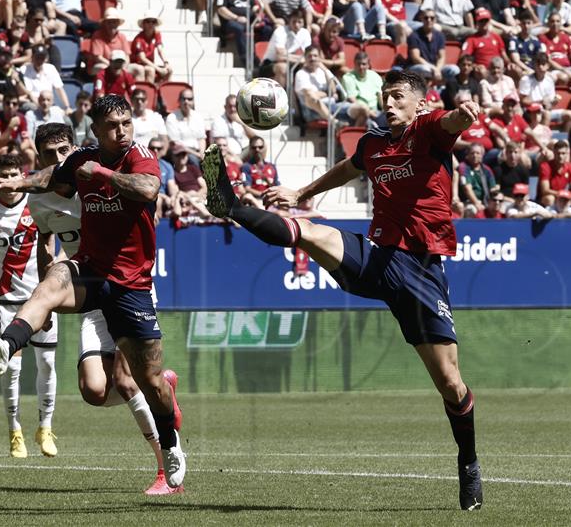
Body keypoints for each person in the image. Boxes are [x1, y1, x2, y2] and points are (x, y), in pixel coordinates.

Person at [201, 70, 483, 511]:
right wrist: (300, 192)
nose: (389, 104)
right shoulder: (374, 143)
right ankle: (232, 206)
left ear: (419, 103)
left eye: (398, 98)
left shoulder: (428, 129)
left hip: (422, 272)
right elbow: (350, 168)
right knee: (311, 233)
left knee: (451, 384)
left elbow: (451, 124)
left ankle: (468, 462)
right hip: (377, 258)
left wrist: (462, 116)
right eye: (384, 97)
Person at [0, 94, 186, 489]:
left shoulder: (139, 155)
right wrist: (19, 182)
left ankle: (169, 451)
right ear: (95, 131)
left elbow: (146, 188)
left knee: (141, 381)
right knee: (53, 286)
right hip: (90, 274)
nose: (122, 130)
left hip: (132, 284)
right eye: (112, 125)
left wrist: (101, 174)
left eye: (126, 122)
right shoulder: (75, 166)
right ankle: (7, 346)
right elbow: (51, 178)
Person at [27, 123, 183, 495]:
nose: (59, 159)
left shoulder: (95, 181)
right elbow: (46, 245)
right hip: (88, 289)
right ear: (40, 159)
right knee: (94, 390)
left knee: (128, 381)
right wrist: (43, 298)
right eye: (49, 154)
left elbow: (143, 201)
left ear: (77, 149)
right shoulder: (44, 200)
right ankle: (159, 387)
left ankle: (165, 471)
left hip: (128, 284)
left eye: (64, 150)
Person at [0, 153, 59, 459]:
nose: (8, 181)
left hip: (42, 297)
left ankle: (45, 428)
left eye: (13, 174)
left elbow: (51, 241)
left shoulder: (39, 203)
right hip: (6, 299)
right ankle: (15, 431)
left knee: (47, 363)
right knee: (13, 366)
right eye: (3, 175)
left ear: (21, 174)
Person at [295, 46, 368, 127]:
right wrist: (327, 93)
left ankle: (351, 136)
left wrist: (325, 70)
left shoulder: (323, 71)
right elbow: (310, 95)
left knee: (363, 109)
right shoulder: (301, 74)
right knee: (312, 98)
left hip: (333, 107)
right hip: (313, 111)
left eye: (315, 56)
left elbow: (333, 90)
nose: (313, 59)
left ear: (319, 58)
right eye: (309, 56)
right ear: (305, 58)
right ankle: (335, 123)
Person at [131, 10, 172, 84]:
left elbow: (160, 50)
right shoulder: (138, 39)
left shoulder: (157, 34)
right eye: (148, 21)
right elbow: (142, 58)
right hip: (138, 64)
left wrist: (166, 63)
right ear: (143, 24)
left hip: (150, 64)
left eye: (153, 21)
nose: (151, 24)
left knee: (169, 70)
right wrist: (158, 69)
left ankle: (162, 93)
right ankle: (150, 94)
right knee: (151, 70)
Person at [405, 9, 446, 79]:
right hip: (417, 66)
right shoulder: (414, 35)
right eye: (426, 18)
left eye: (432, 18)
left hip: (435, 67)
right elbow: (416, 58)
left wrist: (438, 69)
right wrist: (433, 68)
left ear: (435, 20)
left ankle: (443, 89)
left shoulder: (440, 35)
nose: (429, 20)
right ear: (422, 19)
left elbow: (442, 57)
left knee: (454, 69)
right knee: (425, 69)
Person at [210, 94, 254, 158]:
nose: (233, 109)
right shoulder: (218, 122)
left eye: (235, 106)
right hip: (225, 155)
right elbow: (219, 145)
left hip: (241, 153)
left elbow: (254, 138)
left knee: (261, 145)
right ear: (225, 107)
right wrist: (235, 157)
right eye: (230, 106)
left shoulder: (240, 121)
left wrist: (242, 123)